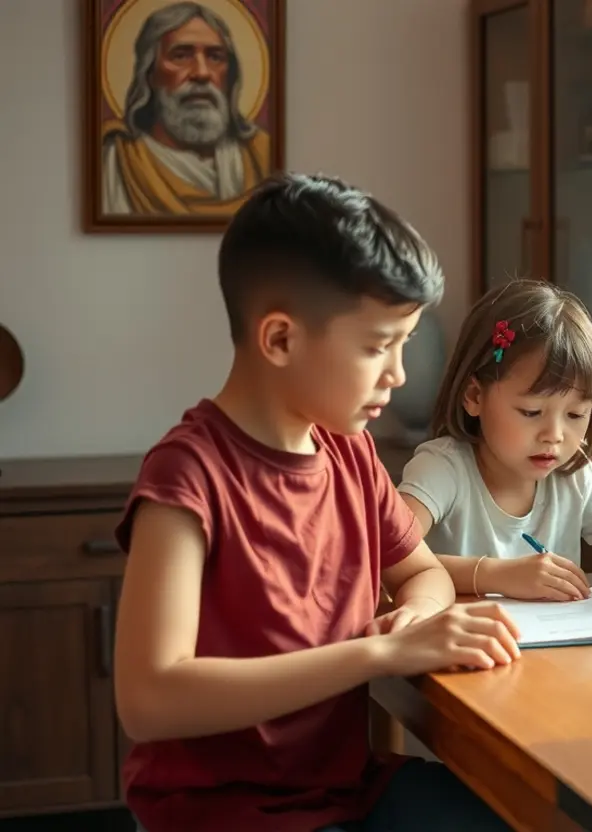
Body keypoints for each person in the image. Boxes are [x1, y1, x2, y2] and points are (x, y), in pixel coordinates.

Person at [111, 173, 518, 832]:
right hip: (221, 813)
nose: (399, 374)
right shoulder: (187, 477)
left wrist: (410, 622)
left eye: (403, 344)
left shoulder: (349, 452)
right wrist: (378, 656)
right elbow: (150, 698)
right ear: (280, 339)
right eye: (376, 346)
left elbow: (423, 573)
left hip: (344, 792)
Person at [398, 279, 592, 602]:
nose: (554, 435)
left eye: (576, 415)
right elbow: (386, 558)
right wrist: (495, 575)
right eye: (531, 412)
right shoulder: (443, 469)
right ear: (474, 396)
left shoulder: (574, 477)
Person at [102, 2, 270, 216]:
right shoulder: (117, 160)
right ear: (149, 73)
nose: (201, 73)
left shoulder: (260, 154)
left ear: (231, 75)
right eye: (181, 55)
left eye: (215, 57)